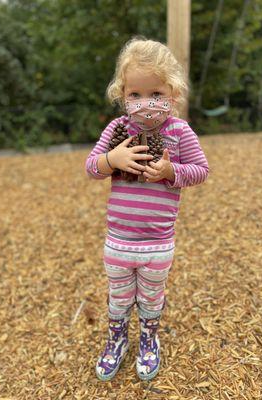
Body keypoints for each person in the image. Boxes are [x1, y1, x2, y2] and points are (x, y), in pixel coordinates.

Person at [85, 36, 210, 382]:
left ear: (173, 93)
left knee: (152, 297)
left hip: (157, 243)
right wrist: (113, 159)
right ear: (122, 94)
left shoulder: (179, 132)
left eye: (155, 94)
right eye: (135, 95)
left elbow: (201, 171)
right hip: (119, 241)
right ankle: (117, 338)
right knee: (120, 296)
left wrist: (173, 173)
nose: (145, 103)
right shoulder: (118, 130)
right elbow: (91, 167)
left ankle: (149, 338)